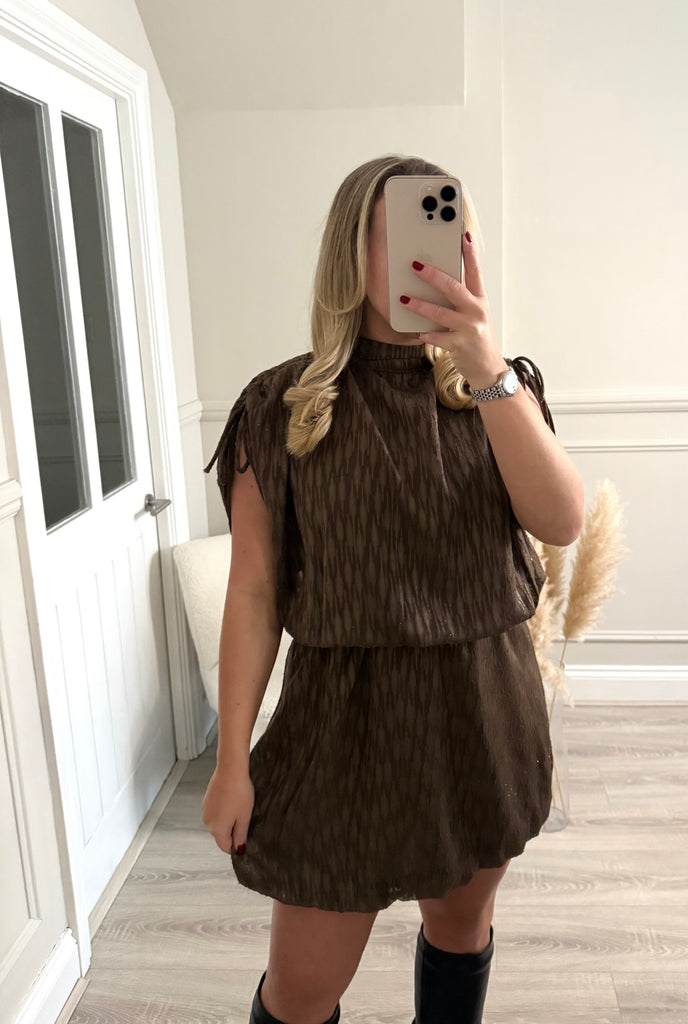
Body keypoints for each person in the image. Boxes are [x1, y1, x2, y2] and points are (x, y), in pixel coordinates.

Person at [202, 154, 584, 1024]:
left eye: (446, 234)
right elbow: (254, 595)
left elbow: (561, 521)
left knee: (460, 929)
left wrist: (486, 366)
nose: (425, 260)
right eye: (399, 238)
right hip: (341, 729)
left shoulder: (501, 388)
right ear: (350, 253)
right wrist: (231, 762)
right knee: (302, 991)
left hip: (480, 714)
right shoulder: (280, 404)